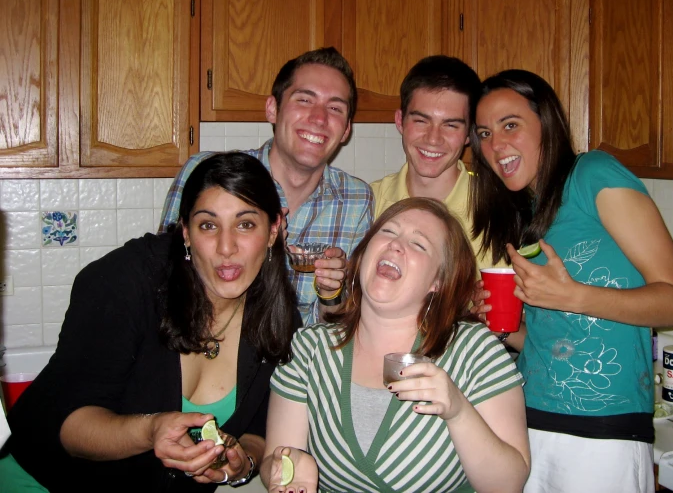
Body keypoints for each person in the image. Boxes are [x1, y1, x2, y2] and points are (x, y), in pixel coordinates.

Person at [1, 152, 300, 492]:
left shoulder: (279, 317)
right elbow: (70, 425)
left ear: (274, 229)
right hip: (44, 480)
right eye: (208, 225)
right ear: (185, 231)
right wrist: (151, 430)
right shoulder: (124, 283)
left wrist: (240, 461)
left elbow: (260, 429)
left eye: (245, 224)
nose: (226, 247)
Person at [469, 69, 673, 492]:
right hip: (525, 422)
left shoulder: (592, 174)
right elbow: (551, 338)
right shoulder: (522, 214)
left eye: (510, 125)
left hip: (604, 433)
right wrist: (499, 327)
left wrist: (572, 296)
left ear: (547, 123)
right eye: (483, 133)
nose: (495, 144)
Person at [260, 197, 530, 493]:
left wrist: (457, 410)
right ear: (362, 255)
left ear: (437, 281)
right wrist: (287, 469)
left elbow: (508, 485)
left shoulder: (475, 350)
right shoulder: (308, 349)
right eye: (388, 232)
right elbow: (276, 459)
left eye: (419, 244)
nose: (396, 245)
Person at [159, 47, 374, 325]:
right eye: (305, 100)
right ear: (272, 109)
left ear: (346, 130)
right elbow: (165, 281)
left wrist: (331, 294)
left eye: (335, 108)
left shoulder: (356, 199)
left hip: (303, 366)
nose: (319, 118)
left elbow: (343, 324)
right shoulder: (207, 176)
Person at [371, 55, 496, 270]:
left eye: (450, 125)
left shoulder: (498, 209)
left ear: (469, 133)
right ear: (400, 121)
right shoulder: (367, 204)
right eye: (421, 121)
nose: (433, 139)